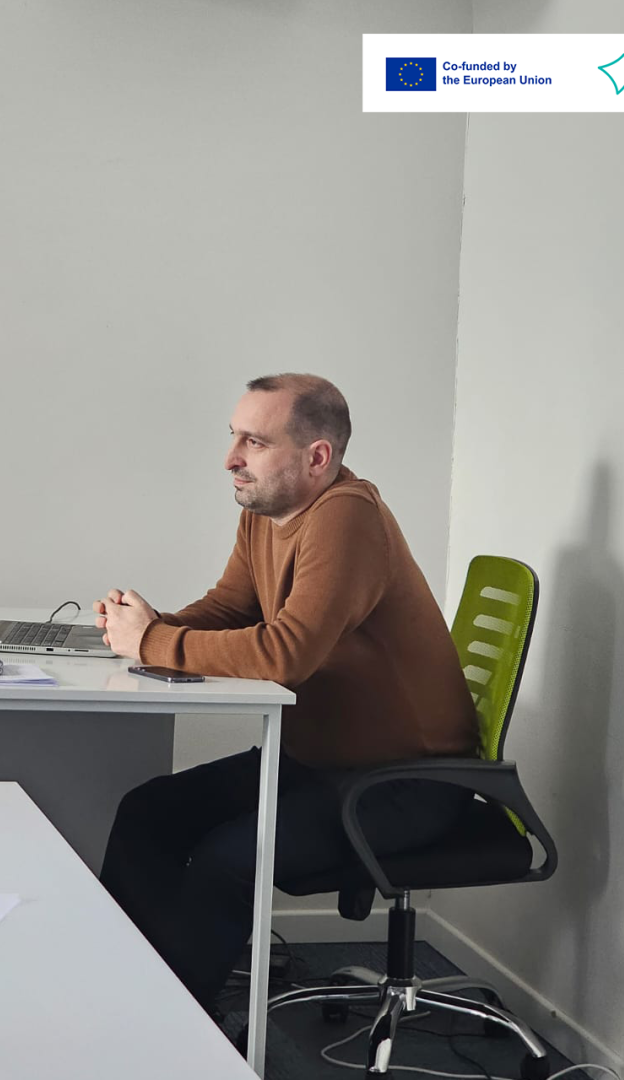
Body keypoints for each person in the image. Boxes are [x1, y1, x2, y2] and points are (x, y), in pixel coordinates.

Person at [94, 373, 477, 1016]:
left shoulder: (347, 517)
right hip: (321, 764)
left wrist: (154, 642)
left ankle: (169, 1029)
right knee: (148, 813)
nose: (231, 458)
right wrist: (144, 629)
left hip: (407, 782)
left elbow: (284, 655)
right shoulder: (265, 513)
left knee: (226, 859)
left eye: (255, 441)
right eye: (233, 437)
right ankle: (120, 996)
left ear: (316, 457)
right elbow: (230, 608)